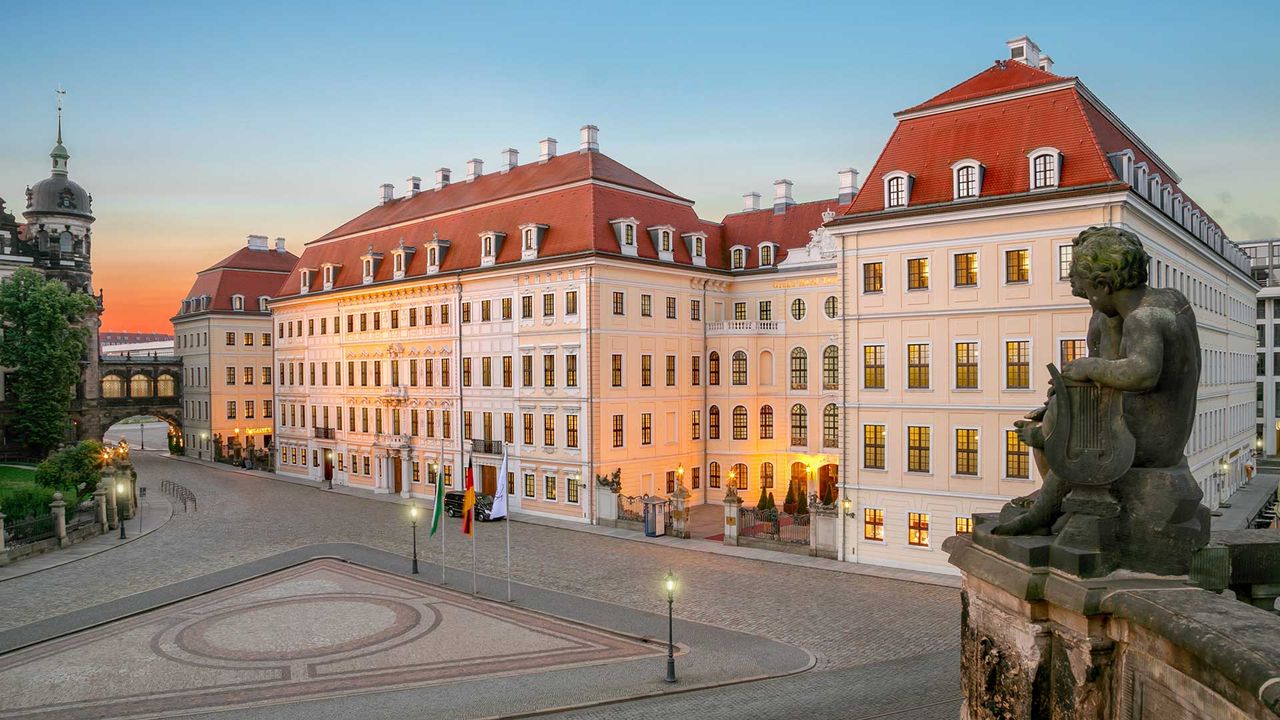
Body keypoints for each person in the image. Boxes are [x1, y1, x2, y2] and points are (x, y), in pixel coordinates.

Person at [993, 226, 1201, 536]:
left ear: (1103, 285)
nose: (1086, 300)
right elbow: (1117, 366)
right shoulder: (1168, 300)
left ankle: (1042, 513)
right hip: (1156, 427)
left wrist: (1089, 367)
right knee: (1053, 418)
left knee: (1059, 436)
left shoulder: (1145, 318)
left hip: (1151, 440)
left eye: (1087, 291)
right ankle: (1058, 498)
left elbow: (1142, 372)